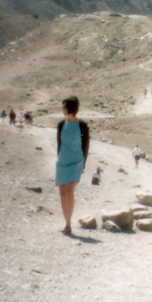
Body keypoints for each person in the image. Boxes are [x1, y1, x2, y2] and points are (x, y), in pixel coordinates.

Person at [55, 96, 90, 235]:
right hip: (62, 161)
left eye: (64, 107)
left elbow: (85, 146)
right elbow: (59, 144)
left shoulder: (82, 126)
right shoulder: (61, 124)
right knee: (62, 192)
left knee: (70, 191)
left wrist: (83, 165)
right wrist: (58, 159)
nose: (62, 109)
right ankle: (67, 224)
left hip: (76, 161)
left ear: (70, 108)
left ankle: (69, 224)